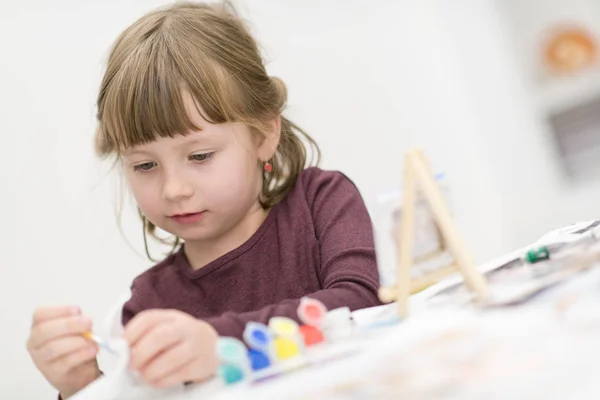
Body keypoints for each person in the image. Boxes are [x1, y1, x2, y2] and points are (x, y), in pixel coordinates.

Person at [26, 2, 381, 398]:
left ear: (264, 133)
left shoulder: (320, 203)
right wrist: (81, 387)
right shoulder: (149, 307)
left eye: (199, 156)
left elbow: (361, 306)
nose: (173, 188)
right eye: (145, 165)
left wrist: (219, 345)